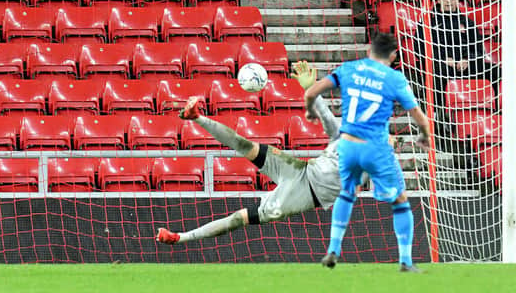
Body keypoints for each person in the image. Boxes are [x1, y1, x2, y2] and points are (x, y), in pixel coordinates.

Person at [156, 61, 368, 246]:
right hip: (300, 170)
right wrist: (310, 87)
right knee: (245, 145)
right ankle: (197, 117)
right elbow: (326, 117)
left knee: (240, 218)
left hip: (302, 196)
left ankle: (178, 237)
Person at [304, 33, 431, 273]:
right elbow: (416, 112)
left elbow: (310, 93)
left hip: (348, 145)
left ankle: (333, 249)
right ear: (393, 55)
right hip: (376, 147)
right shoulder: (394, 78)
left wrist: (311, 112)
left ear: (369, 50)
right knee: (400, 200)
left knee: (347, 192)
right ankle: (405, 261)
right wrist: (424, 133)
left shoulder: (349, 68)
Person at [414, 0, 499, 109]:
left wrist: (466, 59)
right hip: (442, 66)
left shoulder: (467, 22)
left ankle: (496, 110)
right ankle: (440, 116)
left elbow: (478, 48)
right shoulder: (428, 22)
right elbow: (420, 48)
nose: (449, 0)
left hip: (465, 66)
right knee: (437, 71)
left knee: (496, 71)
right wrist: (444, 59)